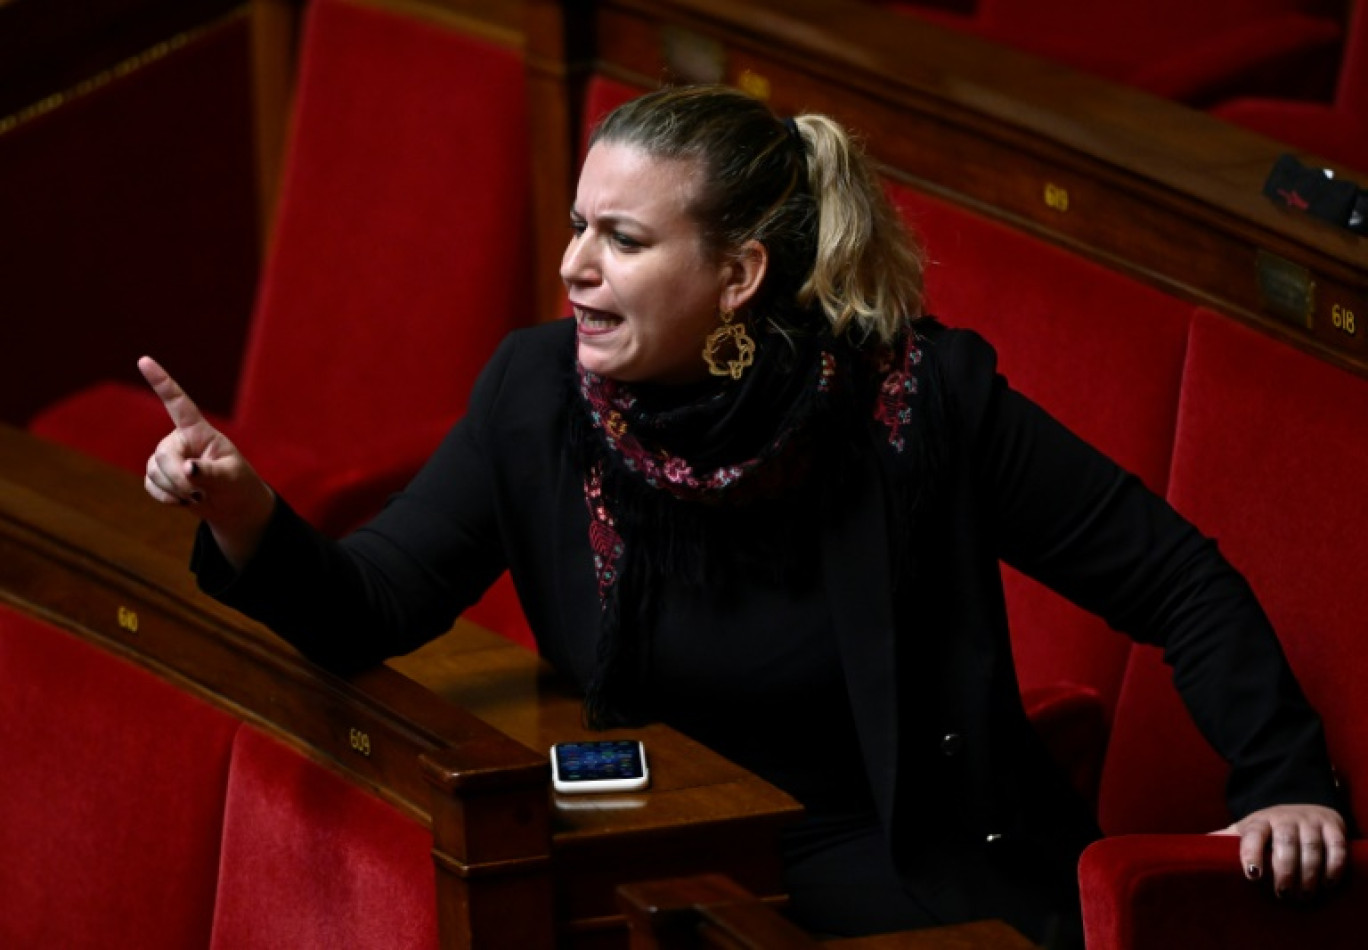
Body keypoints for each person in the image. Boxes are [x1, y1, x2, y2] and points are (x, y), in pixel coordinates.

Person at [139, 85, 1349, 947]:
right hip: (668, 845)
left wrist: (1285, 779)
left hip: (906, 868)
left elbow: (1177, 579)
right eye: (575, 225)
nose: (573, 266)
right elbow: (371, 605)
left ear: (739, 275)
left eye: (622, 237)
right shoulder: (537, 396)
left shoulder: (916, 402)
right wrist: (246, 510)